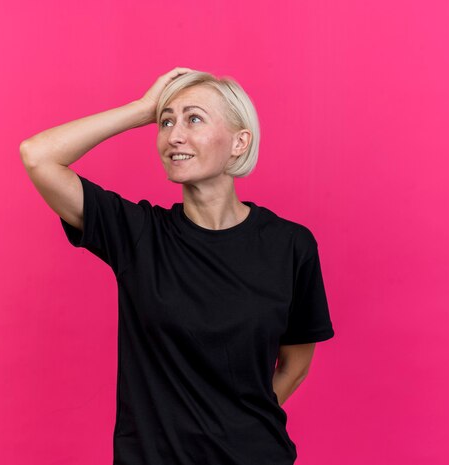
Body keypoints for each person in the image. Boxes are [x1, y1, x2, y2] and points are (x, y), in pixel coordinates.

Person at [20, 67, 335, 465]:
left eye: (194, 119)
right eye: (166, 122)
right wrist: (141, 109)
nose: (174, 136)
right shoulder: (138, 235)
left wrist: (234, 428)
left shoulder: (290, 245)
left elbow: (295, 364)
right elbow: (38, 156)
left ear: (239, 142)